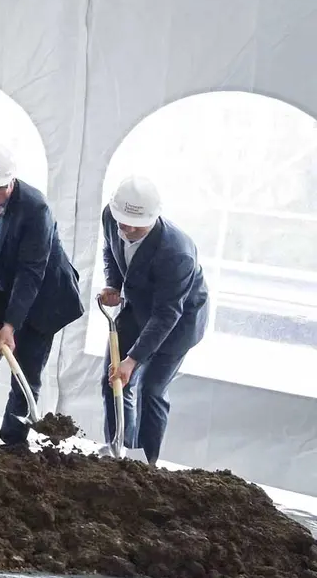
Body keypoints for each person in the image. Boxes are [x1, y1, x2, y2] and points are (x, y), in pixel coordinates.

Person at [0, 144, 83, 450]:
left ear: (12, 180)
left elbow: (31, 272)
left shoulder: (35, 207)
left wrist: (10, 325)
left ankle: (12, 444)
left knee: (24, 373)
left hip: (43, 299)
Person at [98, 176, 208, 467]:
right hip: (136, 308)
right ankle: (119, 451)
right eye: (123, 222)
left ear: (154, 216)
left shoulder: (177, 252)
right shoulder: (112, 217)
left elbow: (166, 314)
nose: (128, 229)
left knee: (152, 389)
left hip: (177, 323)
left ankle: (146, 464)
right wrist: (114, 284)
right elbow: (110, 249)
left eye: (137, 224)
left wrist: (133, 360)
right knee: (113, 379)